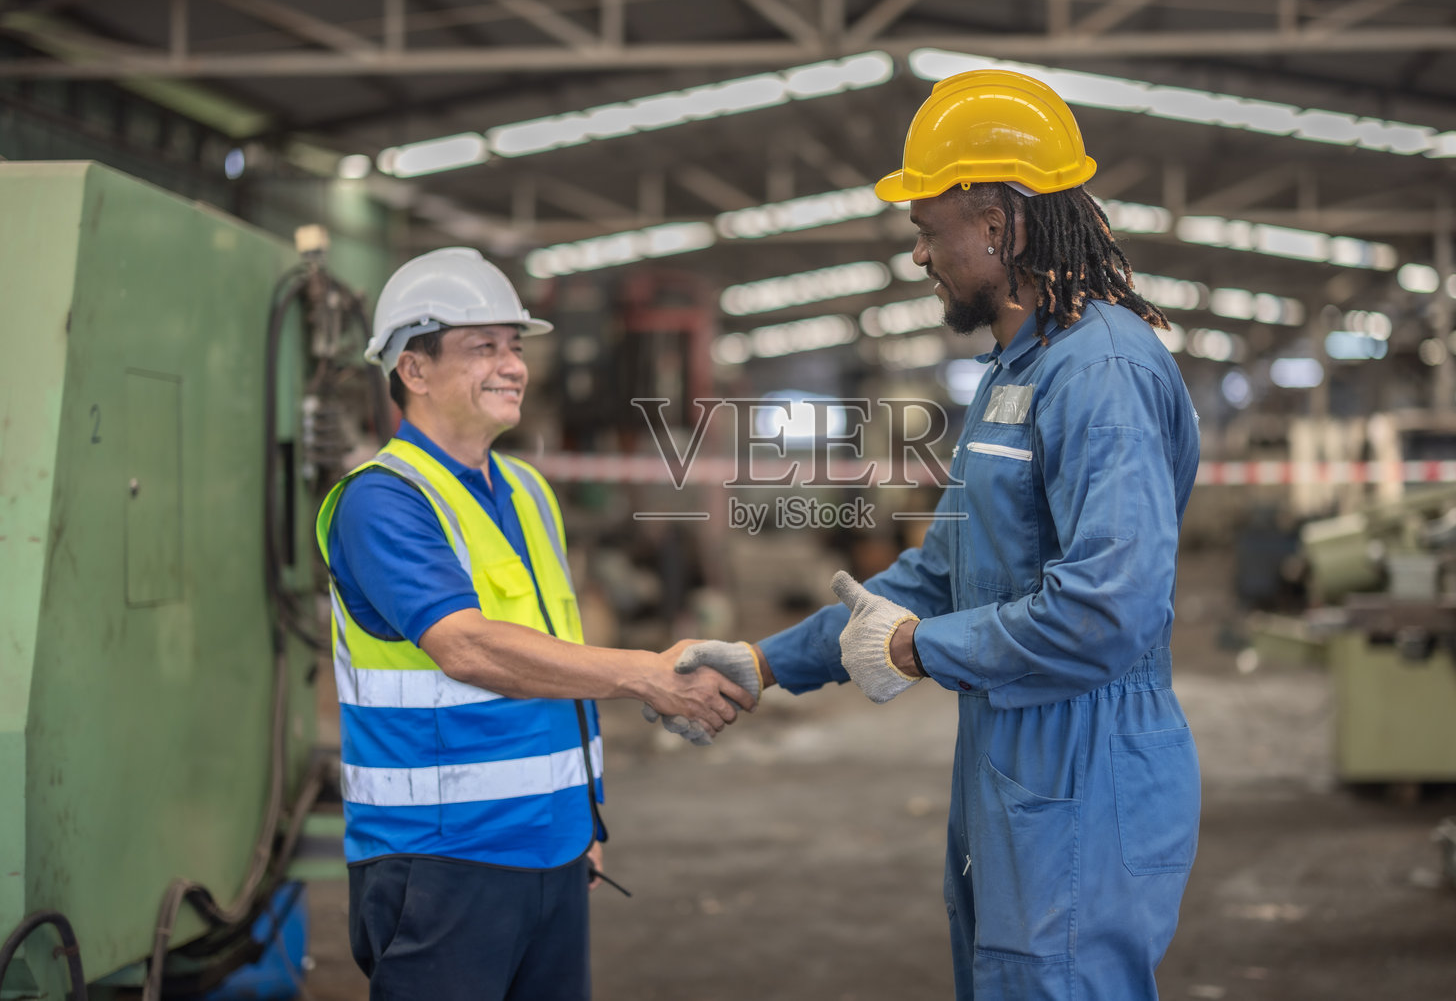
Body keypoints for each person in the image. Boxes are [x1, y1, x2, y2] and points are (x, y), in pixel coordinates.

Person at [666, 69, 1202, 1000]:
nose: (917, 256)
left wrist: (918, 650)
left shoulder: (1101, 370)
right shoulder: (1015, 371)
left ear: (997, 223)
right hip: (1012, 750)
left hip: (1085, 756)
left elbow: (1109, 609)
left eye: (926, 228)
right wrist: (767, 659)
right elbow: (945, 570)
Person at [316, 246, 755, 1001]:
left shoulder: (524, 487)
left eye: (515, 347)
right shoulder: (382, 500)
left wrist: (580, 817)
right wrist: (647, 673)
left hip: (549, 848)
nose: (512, 365)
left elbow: (553, 655)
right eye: (482, 347)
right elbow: (467, 646)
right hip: (441, 858)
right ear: (412, 370)